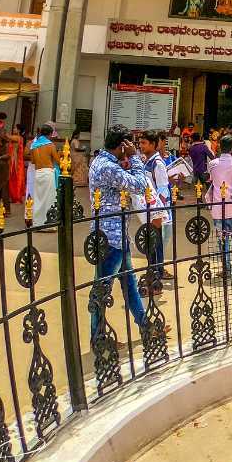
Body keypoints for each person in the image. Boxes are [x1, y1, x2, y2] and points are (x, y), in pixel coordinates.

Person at [88, 126, 168, 343]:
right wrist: (134, 159)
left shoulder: (105, 163)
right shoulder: (107, 167)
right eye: (130, 144)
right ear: (122, 145)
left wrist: (127, 161)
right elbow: (141, 186)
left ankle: (144, 325)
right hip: (109, 237)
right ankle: (98, 336)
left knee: (129, 283)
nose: (134, 148)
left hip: (117, 235)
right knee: (102, 289)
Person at [136, 131, 172, 296]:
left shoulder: (157, 164)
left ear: (153, 144)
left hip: (156, 212)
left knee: (155, 246)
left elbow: (163, 190)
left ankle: (156, 281)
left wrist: (160, 213)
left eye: (144, 143)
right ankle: (153, 276)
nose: (141, 146)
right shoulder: (147, 162)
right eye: (140, 143)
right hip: (148, 209)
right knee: (152, 246)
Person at [206, 135, 232, 278]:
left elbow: (210, 180)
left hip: (218, 208)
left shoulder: (212, 164)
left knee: (222, 240)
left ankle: (226, 268)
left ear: (219, 147)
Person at [27, 125, 60, 228]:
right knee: (50, 199)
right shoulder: (50, 145)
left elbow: (33, 161)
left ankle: (37, 223)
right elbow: (58, 160)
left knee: (38, 199)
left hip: (38, 173)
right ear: (50, 134)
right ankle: (49, 224)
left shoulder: (33, 145)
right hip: (48, 173)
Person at [188, 132, 213, 197]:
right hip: (203, 170)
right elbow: (211, 156)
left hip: (195, 170)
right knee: (208, 188)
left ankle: (199, 202)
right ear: (200, 138)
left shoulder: (191, 148)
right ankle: (209, 202)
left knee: (198, 188)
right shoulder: (203, 147)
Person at [7, 123, 26, 204]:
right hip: (14, 160)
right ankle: (12, 196)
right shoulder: (18, 138)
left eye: (15, 128)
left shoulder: (18, 138)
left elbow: (6, 136)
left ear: (18, 130)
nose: (13, 129)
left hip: (15, 161)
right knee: (12, 179)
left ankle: (16, 197)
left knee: (14, 179)